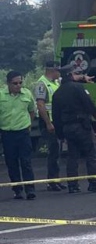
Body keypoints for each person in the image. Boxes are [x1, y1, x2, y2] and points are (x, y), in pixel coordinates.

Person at [51, 66, 96, 194]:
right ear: (71, 74)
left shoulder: (57, 93)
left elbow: (56, 116)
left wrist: (60, 134)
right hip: (82, 126)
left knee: (72, 156)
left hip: (67, 128)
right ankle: (93, 183)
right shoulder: (78, 88)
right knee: (91, 154)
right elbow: (89, 105)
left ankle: (73, 185)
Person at [1, 70, 37, 199]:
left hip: (23, 132)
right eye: (15, 83)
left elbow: (32, 111)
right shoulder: (1, 95)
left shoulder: (27, 94)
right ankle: (17, 190)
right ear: (8, 84)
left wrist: (28, 125)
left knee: (26, 162)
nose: (18, 85)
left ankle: (30, 189)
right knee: (11, 162)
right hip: (7, 133)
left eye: (20, 82)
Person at [32, 62, 62, 191]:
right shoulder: (42, 83)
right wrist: (48, 123)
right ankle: (52, 181)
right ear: (52, 70)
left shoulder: (55, 83)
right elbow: (40, 105)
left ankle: (56, 179)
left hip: (55, 122)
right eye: (58, 71)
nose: (59, 73)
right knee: (53, 152)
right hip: (48, 123)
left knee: (57, 152)